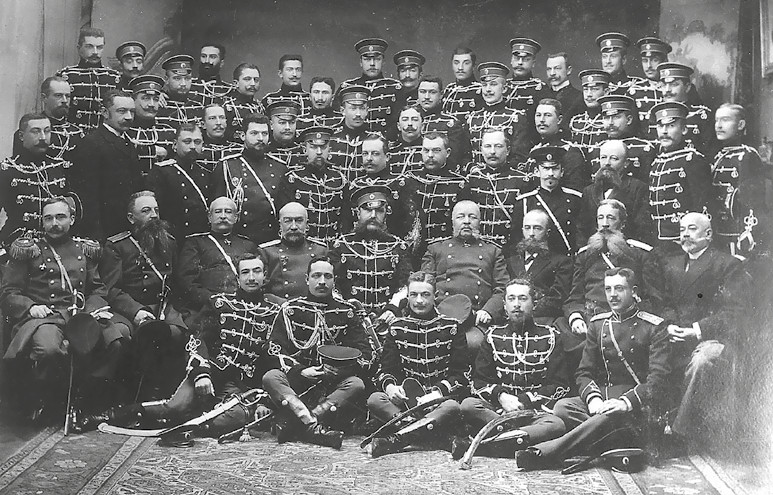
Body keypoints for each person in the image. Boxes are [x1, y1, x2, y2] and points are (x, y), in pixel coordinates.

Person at [515, 267, 670, 470]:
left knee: (608, 416)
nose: (612, 295)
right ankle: (611, 440)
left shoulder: (653, 326)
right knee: (563, 407)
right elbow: (584, 372)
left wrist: (625, 403)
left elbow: (658, 381)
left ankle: (545, 453)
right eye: (608, 289)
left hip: (636, 405)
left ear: (633, 291)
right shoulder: (598, 324)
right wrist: (593, 399)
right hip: (604, 399)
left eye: (619, 288)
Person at [1, 197, 128, 422]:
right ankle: (50, 399)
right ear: (42, 222)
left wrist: (93, 310)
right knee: (49, 349)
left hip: (81, 315)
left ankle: (85, 398)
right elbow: (9, 292)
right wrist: (31, 307)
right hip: (45, 318)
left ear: (72, 219)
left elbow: (97, 289)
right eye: (48, 218)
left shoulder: (84, 250)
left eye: (60, 217)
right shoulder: (28, 250)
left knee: (114, 342)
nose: (54, 223)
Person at [263, 256, 373, 448]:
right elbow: (274, 349)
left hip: (333, 387)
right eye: (316, 276)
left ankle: (301, 422)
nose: (322, 281)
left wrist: (342, 370)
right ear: (307, 279)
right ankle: (312, 426)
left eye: (327, 276)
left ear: (334, 280)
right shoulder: (290, 310)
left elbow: (365, 354)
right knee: (271, 377)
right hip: (298, 385)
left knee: (356, 384)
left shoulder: (347, 312)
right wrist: (300, 371)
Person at [456, 278, 570, 459]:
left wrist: (525, 400)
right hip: (498, 411)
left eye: (523, 298)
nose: (517, 304)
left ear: (534, 304)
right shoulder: (493, 336)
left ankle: (484, 445)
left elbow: (559, 385)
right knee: (468, 405)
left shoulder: (551, 336)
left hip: (534, 412)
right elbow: (478, 381)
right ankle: (517, 438)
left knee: (556, 424)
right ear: (504, 305)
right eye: (511, 299)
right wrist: (501, 396)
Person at [662, 213, 750, 446]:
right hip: (676, 334)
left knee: (703, 360)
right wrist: (670, 325)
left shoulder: (727, 265)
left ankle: (680, 433)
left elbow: (735, 313)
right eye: (682, 230)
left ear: (708, 234)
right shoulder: (671, 264)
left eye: (692, 229)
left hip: (714, 337)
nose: (685, 235)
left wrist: (697, 330)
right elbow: (665, 303)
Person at [98, 191, 189, 401]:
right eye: (146, 211)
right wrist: (136, 311)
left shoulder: (170, 242)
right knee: (122, 337)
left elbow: (174, 282)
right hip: (129, 309)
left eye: (156, 210)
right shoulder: (117, 246)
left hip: (162, 307)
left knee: (177, 333)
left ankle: (162, 397)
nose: (154, 215)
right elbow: (111, 289)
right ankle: (124, 397)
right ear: (131, 218)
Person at [367, 271, 468, 458]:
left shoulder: (452, 327)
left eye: (425, 295)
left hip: (439, 402)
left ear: (435, 296)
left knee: (452, 406)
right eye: (414, 295)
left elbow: (462, 374)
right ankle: (439, 437)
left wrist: (437, 393)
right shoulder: (397, 327)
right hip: (407, 405)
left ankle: (398, 439)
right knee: (375, 399)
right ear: (407, 296)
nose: (419, 301)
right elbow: (386, 370)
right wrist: (390, 388)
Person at [563, 200, 663, 347]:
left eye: (610, 218)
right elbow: (575, 296)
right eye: (600, 218)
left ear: (622, 224)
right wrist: (576, 318)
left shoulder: (639, 253)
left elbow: (653, 297)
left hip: (627, 321)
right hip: (591, 320)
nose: (604, 224)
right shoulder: (585, 255)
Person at [421, 200, 509, 352]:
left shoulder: (493, 251)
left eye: (472, 217)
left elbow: (503, 288)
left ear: (480, 221)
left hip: (476, 320)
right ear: (453, 221)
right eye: (461, 216)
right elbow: (425, 285)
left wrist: (488, 311)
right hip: (440, 318)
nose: (467, 221)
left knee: (473, 343)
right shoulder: (436, 249)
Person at [174, 197, 258, 338]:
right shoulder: (196, 243)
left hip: (243, 306)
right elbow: (186, 280)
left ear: (236, 217)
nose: (223, 216)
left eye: (228, 212)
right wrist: (212, 300)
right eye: (218, 212)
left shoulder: (248, 245)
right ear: (209, 217)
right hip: (208, 307)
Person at [70, 90, 144, 241]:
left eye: (132, 112)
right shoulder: (91, 144)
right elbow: (87, 196)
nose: (129, 117)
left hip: (127, 229)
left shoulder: (128, 142)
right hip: (104, 231)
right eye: (121, 111)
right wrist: (96, 236)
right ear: (104, 112)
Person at [329, 185, 412, 317]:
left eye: (379, 211)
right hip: (350, 316)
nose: (373, 216)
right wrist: (346, 308)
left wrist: (392, 309)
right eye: (367, 210)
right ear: (358, 213)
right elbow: (333, 284)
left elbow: (405, 284)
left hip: (388, 317)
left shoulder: (398, 247)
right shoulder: (342, 246)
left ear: (385, 214)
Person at [0, 114, 76, 249]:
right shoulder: (7, 170)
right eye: (35, 131)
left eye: (47, 131)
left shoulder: (60, 167)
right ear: (21, 136)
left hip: (56, 245)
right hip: (17, 245)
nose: (42, 137)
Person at [211, 113, 287, 245]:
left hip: (270, 241)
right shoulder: (227, 166)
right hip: (237, 240)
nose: (260, 138)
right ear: (243, 136)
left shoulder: (280, 168)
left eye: (264, 134)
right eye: (254, 133)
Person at [648, 101, 712, 247]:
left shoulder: (693, 160)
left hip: (682, 240)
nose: (664, 131)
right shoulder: (656, 161)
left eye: (671, 126)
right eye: (660, 126)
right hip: (658, 240)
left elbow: (702, 204)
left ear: (683, 129)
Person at [709, 104, 767, 256]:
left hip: (737, 234)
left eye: (725, 120)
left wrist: (748, 232)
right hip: (718, 232)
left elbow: (754, 201)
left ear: (740, 125)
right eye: (716, 120)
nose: (718, 125)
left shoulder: (747, 156)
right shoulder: (718, 156)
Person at [276, 126, 348, 244]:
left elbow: (345, 218)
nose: (319, 152)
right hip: (303, 245)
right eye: (313, 147)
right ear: (305, 149)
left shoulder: (339, 179)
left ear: (329, 149)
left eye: (323, 147)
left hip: (333, 244)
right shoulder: (292, 179)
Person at [460, 129, 530, 246]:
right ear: (481, 150)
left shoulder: (521, 181)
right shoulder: (471, 180)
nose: (492, 151)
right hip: (476, 248)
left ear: (508, 150)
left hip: (509, 248)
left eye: (498, 146)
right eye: (488, 146)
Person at [500, 209, 572, 321]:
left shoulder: (561, 262)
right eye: (527, 228)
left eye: (537, 228)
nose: (531, 234)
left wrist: (527, 308)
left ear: (547, 232)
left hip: (543, 320)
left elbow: (557, 298)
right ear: (522, 230)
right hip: (510, 319)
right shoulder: (509, 261)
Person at [510, 146, 584, 255]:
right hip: (537, 259)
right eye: (545, 169)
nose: (550, 173)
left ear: (562, 172)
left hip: (565, 258)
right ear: (537, 171)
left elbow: (580, 234)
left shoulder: (574, 199)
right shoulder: (525, 202)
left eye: (555, 168)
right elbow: (516, 238)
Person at [348, 133, 420, 244]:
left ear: (387, 157)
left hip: (393, 247)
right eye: (365, 153)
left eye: (375, 154)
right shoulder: (355, 186)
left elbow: (411, 224)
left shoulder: (401, 185)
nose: (369, 158)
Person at [147, 123, 213, 242]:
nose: (193, 146)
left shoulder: (205, 172)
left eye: (197, 142)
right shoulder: (162, 171)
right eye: (187, 142)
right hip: (175, 238)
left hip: (202, 238)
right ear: (174, 145)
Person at [580, 140, 651, 242]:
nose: (607, 163)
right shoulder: (589, 191)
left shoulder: (637, 188)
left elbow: (642, 229)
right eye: (603, 157)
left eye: (614, 158)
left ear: (626, 163)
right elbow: (582, 229)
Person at [405, 132, 467, 248]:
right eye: (426, 150)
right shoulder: (410, 180)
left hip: (446, 249)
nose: (430, 155)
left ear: (447, 153)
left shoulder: (458, 184)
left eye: (436, 150)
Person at [466, 61, 533, 164]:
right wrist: (473, 169)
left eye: (493, 84)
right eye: (484, 85)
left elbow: (520, 156)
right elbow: (465, 155)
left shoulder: (516, 118)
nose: (488, 89)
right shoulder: (472, 119)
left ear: (504, 88)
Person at [56, 27, 121, 133]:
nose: (95, 52)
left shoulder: (113, 77)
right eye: (89, 47)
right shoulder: (66, 76)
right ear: (79, 48)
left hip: (104, 138)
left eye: (99, 47)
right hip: (74, 135)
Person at [260, 202, 329, 300]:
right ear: (280, 225)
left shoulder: (321, 250)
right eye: (287, 221)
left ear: (307, 224)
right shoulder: (267, 252)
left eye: (299, 221)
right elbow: (262, 292)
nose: (293, 227)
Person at [340, 38, 402, 138]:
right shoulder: (347, 87)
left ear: (383, 62)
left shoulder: (395, 88)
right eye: (367, 59)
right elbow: (339, 120)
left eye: (377, 59)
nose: (372, 63)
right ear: (361, 62)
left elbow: (400, 121)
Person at [530, 98, 591, 192]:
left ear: (559, 119)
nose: (541, 120)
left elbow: (574, 190)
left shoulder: (570, 151)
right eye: (538, 115)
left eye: (547, 115)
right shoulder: (534, 149)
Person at [595, 94, 656, 183]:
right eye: (607, 118)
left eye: (616, 117)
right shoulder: (598, 148)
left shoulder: (644, 149)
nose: (611, 122)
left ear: (629, 120)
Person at [416, 75, 471, 172]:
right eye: (423, 92)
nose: (427, 97)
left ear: (441, 94)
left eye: (432, 92)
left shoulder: (451, 124)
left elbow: (453, 159)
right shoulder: (408, 118)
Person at [125, 75, 177, 176]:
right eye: (146, 98)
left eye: (156, 99)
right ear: (133, 100)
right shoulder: (124, 131)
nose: (152, 104)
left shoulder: (168, 132)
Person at [657, 63, 713, 154]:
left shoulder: (701, 116)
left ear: (687, 87)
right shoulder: (656, 114)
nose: (667, 90)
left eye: (674, 84)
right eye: (663, 85)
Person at [504, 38, 550, 147]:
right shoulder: (502, 87)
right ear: (511, 60)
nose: (520, 62)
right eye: (516, 58)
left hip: (528, 146)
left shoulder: (540, 89)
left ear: (533, 63)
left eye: (526, 59)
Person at [628, 37, 670, 139]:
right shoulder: (635, 91)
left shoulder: (675, 90)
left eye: (654, 60)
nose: (649, 66)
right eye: (644, 61)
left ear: (664, 61)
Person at [329, 85, 371, 183]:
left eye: (362, 108)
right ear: (342, 110)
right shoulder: (331, 138)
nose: (358, 114)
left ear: (367, 111)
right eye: (353, 108)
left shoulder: (373, 139)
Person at [38, 76, 84, 161]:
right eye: (58, 95)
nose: (65, 100)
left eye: (68, 96)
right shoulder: (32, 132)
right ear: (44, 98)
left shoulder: (77, 132)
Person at [569, 69, 610, 157]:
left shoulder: (610, 122)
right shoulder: (575, 122)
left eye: (594, 89)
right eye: (585, 89)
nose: (589, 94)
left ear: (606, 92)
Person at [224, 63, 266, 143]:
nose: (253, 83)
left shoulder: (260, 107)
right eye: (247, 79)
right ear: (236, 83)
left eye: (256, 80)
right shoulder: (227, 106)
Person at [157, 55, 203, 129]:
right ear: (166, 80)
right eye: (177, 78)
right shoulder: (158, 106)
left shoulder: (198, 106)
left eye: (187, 78)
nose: (183, 84)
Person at [441, 46, 484, 123]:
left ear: (473, 66)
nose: (460, 67)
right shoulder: (448, 90)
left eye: (466, 63)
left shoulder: (481, 90)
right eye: (456, 63)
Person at [545, 52, 583, 128]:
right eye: (549, 69)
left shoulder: (579, 97)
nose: (552, 73)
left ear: (568, 70)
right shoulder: (542, 94)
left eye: (557, 68)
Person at [199, 103, 242, 171]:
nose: (218, 122)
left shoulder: (238, 149)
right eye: (212, 118)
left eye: (222, 117)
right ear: (203, 124)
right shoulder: (198, 150)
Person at [189, 43, 233, 107]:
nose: (207, 61)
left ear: (221, 63)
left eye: (212, 57)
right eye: (203, 56)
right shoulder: (189, 87)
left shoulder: (228, 91)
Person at [388, 104, 425, 176]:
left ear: (422, 126)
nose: (410, 123)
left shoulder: (429, 149)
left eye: (415, 120)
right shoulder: (391, 151)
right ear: (398, 126)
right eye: (405, 120)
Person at [266, 100, 304, 166]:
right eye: (282, 123)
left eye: (292, 123)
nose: (287, 127)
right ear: (271, 124)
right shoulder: (264, 151)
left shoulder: (303, 151)